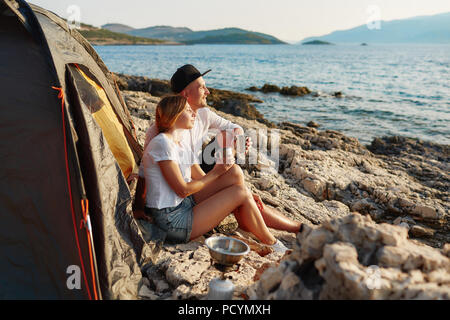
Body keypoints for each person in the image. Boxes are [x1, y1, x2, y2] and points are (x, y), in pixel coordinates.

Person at [134, 64, 301, 238]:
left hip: (194, 186)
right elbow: (145, 172)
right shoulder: (160, 132)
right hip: (180, 196)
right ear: (186, 94)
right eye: (202, 87)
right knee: (240, 191)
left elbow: (234, 128)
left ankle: (293, 227)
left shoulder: (203, 115)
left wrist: (237, 146)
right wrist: (138, 208)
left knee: (236, 175)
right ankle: (272, 231)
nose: (208, 91)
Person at [141, 95, 288, 250]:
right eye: (188, 110)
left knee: (235, 173)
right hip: (171, 221)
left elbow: (201, 178)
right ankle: (273, 244)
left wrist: (236, 187)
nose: (194, 114)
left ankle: (247, 225)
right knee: (240, 193)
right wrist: (217, 172)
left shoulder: (179, 142)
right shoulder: (163, 143)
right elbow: (182, 189)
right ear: (175, 115)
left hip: (183, 204)